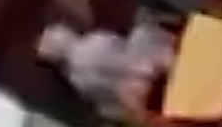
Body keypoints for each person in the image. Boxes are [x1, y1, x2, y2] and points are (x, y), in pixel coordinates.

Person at [36, 22, 174, 121]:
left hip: (136, 95)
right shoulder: (95, 39)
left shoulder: (76, 80)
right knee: (143, 31)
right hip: (148, 70)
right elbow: (125, 58)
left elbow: (107, 100)